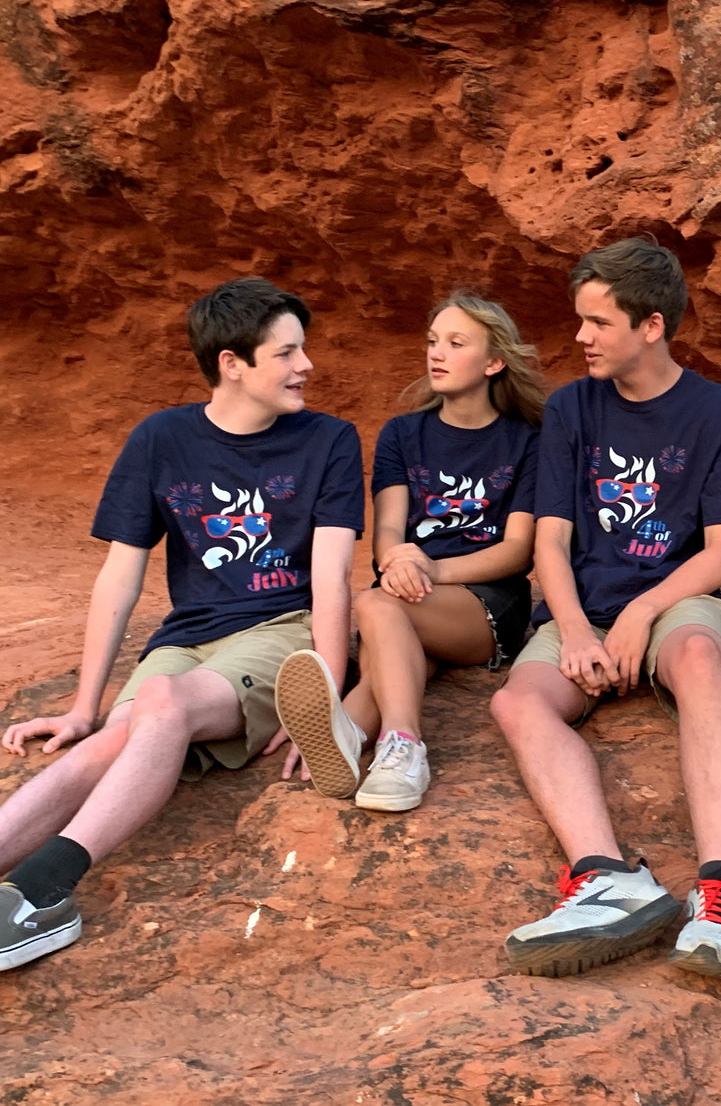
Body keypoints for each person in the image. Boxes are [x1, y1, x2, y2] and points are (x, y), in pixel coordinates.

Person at [0, 278, 363, 972]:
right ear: (233, 363)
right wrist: (84, 705)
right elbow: (120, 576)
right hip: (188, 635)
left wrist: (326, 687)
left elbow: (330, 577)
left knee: (163, 703)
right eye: (287, 353)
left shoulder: (329, 440)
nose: (306, 366)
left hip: (281, 628)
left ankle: (44, 888)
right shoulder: (161, 438)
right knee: (106, 742)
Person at [489, 238, 721, 982]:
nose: (580, 337)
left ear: (650, 326)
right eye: (580, 320)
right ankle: (608, 876)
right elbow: (550, 541)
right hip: (585, 612)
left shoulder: (719, 413)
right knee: (518, 702)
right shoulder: (572, 408)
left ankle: (719, 892)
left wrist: (645, 610)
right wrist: (574, 629)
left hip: (680, 605)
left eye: (597, 322)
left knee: (702, 658)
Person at [274, 293, 546, 813]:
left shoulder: (526, 440)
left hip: (485, 600)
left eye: (455, 343)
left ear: (493, 362)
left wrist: (426, 566)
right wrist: (398, 560)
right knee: (394, 639)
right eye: (431, 341)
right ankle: (346, 737)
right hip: (410, 592)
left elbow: (516, 552)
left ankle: (404, 744)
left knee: (377, 605)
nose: (436, 354)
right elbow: (389, 530)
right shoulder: (403, 432)